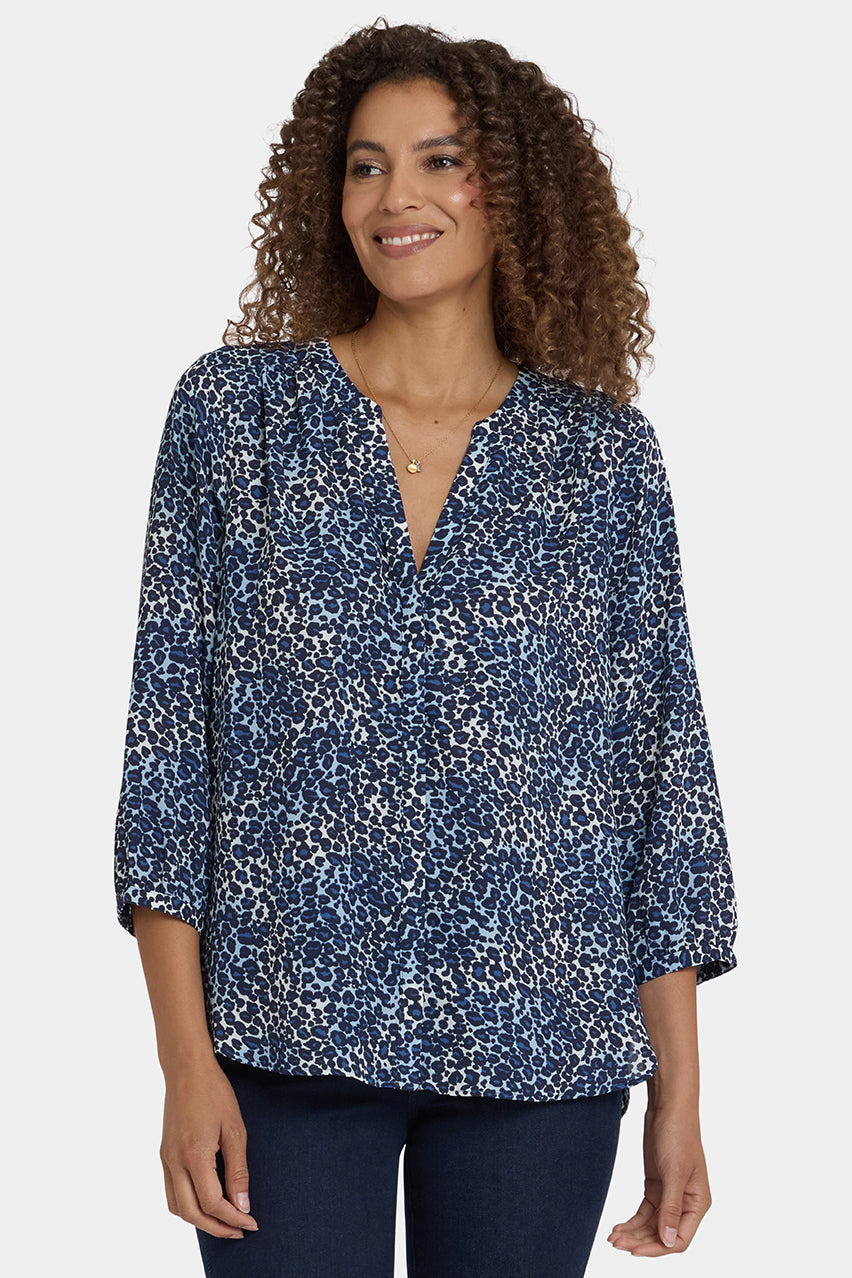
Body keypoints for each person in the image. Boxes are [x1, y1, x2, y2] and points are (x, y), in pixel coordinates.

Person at [113, 20, 738, 1278]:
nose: (397, 196)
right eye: (366, 164)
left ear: (514, 192)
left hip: (544, 1046)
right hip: (283, 1034)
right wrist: (185, 1064)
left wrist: (680, 1094)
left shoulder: (602, 458)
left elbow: (657, 787)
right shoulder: (237, 418)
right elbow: (170, 759)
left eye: (442, 161)